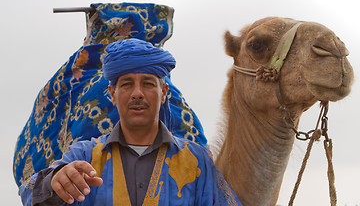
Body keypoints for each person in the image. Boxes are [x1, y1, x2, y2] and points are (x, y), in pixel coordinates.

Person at [20, 38, 242, 206]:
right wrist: (55, 180)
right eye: (126, 84)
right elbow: (28, 192)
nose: (137, 93)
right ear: (112, 94)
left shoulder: (196, 160)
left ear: (164, 92)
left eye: (147, 83)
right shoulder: (85, 156)